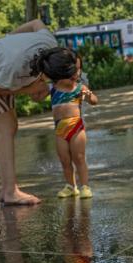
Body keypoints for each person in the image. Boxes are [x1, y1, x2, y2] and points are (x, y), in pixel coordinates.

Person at [0, 19, 73, 205]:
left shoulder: (49, 43)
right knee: (7, 128)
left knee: (10, 126)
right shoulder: (14, 67)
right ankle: (10, 192)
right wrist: (29, 89)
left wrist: (9, 39)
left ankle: (8, 189)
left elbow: (36, 23)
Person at [48, 53, 98, 199]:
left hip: (76, 127)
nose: (76, 73)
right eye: (72, 70)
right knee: (64, 160)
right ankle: (71, 186)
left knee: (79, 157)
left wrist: (89, 96)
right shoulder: (53, 87)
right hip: (59, 129)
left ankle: (85, 186)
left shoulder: (80, 88)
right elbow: (37, 95)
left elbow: (94, 101)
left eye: (78, 70)